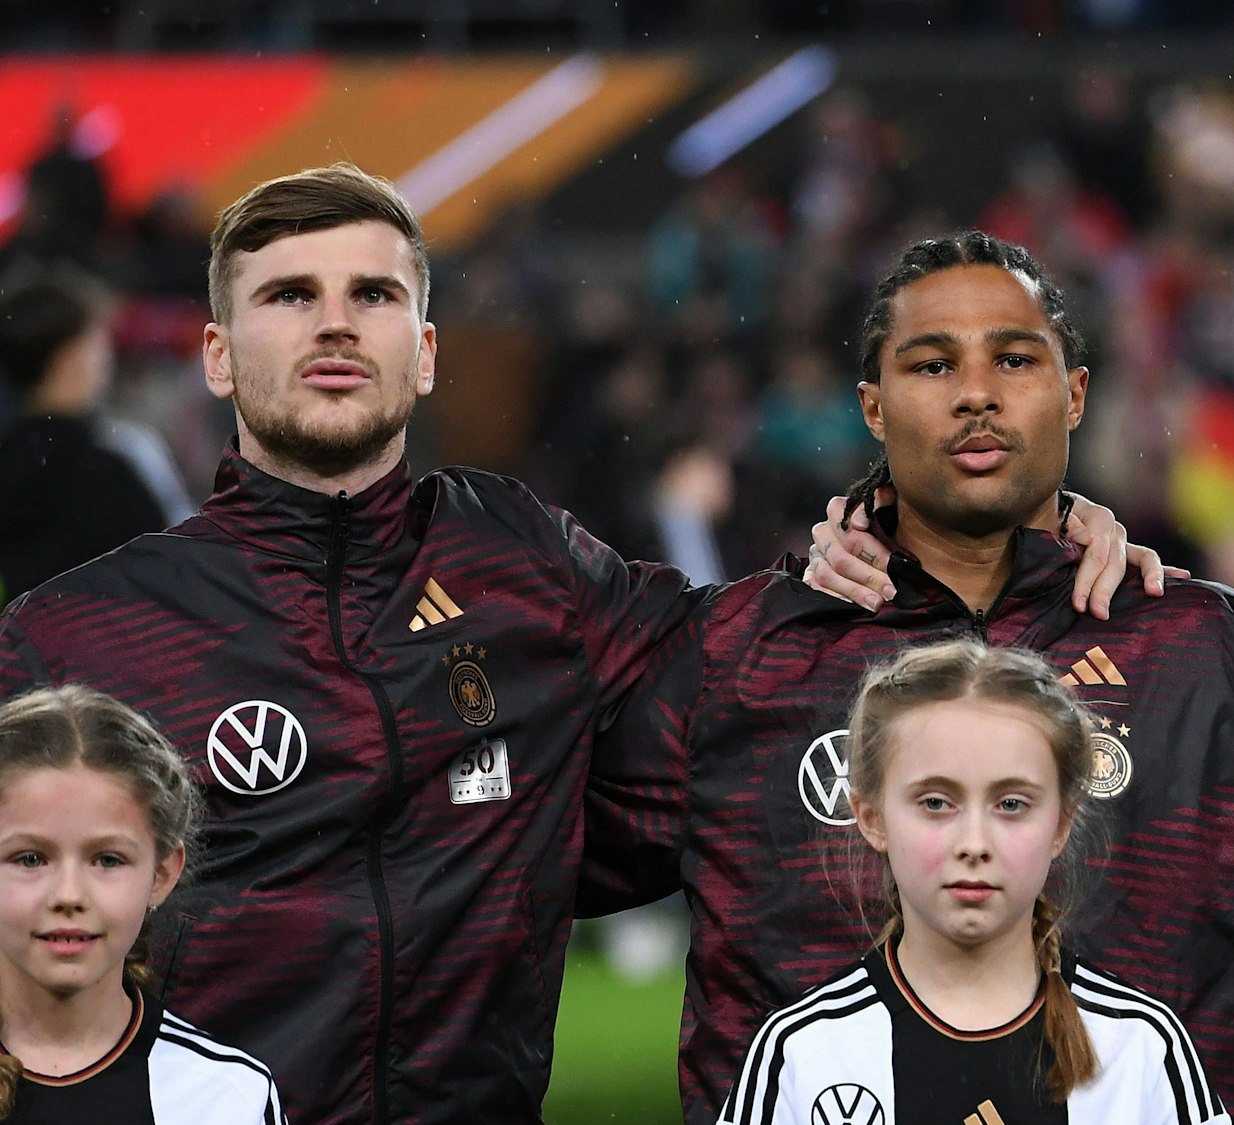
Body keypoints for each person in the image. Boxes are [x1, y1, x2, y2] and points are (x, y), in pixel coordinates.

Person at [0, 165, 1152, 1125]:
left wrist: (1034, 526)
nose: (337, 322)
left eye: (373, 295)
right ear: (214, 353)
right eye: (290, 295)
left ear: (429, 348)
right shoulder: (74, 642)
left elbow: (759, 651)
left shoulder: (524, 562)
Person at [584, 230, 1234, 1125]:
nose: (976, 393)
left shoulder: (1205, 658)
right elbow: (497, 855)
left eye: (1015, 359)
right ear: (871, 405)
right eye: (932, 365)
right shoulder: (742, 658)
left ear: (1076, 393)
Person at [719, 638, 1229, 1125]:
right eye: (936, 803)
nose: (974, 843)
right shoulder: (805, 1049)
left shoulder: (1139, 1044)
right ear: (871, 818)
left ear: (1061, 825)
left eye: (1012, 805)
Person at [0, 684, 285, 1123]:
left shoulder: (225, 1098)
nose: (69, 896)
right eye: (31, 858)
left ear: (162, 874)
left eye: (108, 860)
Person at [0, 269, 191, 602]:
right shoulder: (120, 459)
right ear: (71, 358)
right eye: (99, 341)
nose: (107, 356)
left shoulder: (10, 460)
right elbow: (176, 571)